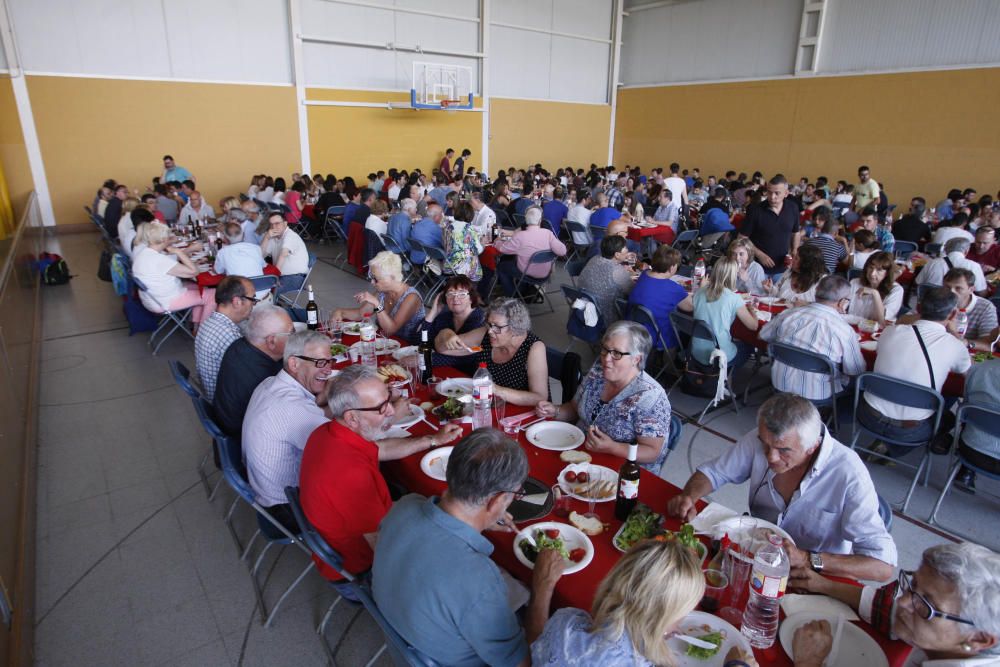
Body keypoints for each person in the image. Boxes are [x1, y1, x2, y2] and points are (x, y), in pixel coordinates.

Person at [372, 429, 564, 667]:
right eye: (514, 494)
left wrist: (483, 519)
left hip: (405, 632)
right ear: (495, 501)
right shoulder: (479, 580)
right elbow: (526, 663)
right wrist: (543, 587)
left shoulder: (407, 504)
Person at [668, 394, 896, 582]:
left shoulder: (849, 474)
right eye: (765, 445)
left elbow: (883, 566)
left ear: (813, 445)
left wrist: (808, 559)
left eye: (783, 450)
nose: (771, 457)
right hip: (752, 559)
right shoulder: (764, 438)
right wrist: (690, 495)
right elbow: (714, 472)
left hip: (810, 577)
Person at [300, 364, 462, 589]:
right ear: (352, 418)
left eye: (388, 400)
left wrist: (432, 440)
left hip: (355, 533)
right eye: (381, 407)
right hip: (359, 567)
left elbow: (380, 449)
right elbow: (385, 548)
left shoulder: (328, 432)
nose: (391, 412)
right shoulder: (350, 476)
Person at [791, 542, 1000, 667]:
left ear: (979, 639)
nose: (903, 602)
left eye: (925, 605)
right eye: (913, 585)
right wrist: (823, 585)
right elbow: (887, 608)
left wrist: (809, 662)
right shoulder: (950, 636)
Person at [531, 540, 705, 667]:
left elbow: (535, 651)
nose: (679, 625)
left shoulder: (565, 623)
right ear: (660, 618)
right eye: (680, 615)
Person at [535, 322, 673, 472]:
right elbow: (574, 409)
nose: (606, 359)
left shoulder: (651, 397)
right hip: (579, 455)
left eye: (617, 354)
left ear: (636, 359)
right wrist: (555, 411)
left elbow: (653, 452)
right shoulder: (599, 371)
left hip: (625, 472)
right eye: (605, 350)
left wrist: (613, 448)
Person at [242, 331, 332, 529]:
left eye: (329, 362)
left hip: (264, 492)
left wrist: (329, 400)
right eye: (319, 363)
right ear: (294, 364)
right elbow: (346, 446)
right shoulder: (293, 408)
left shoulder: (270, 383)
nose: (328, 371)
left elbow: (314, 414)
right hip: (287, 507)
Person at [861, 288, 971, 444]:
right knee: (948, 417)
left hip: (867, 416)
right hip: (910, 431)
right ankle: (894, 448)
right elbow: (969, 374)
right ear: (953, 315)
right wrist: (955, 334)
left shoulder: (890, 331)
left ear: (918, 308)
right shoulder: (955, 345)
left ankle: (887, 445)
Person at [760, 275, 866, 400]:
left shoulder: (789, 314)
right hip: (817, 393)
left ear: (815, 292)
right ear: (843, 302)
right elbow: (856, 370)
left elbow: (763, 335)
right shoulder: (844, 331)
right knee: (857, 382)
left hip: (780, 383)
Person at [439, 297, 548, 405]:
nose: (490, 331)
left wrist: (496, 390)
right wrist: (447, 334)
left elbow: (540, 397)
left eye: (497, 327)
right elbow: (442, 349)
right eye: (489, 324)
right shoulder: (485, 334)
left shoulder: (534, 347)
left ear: (515, 327)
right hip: (488, 406)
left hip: (523, 415)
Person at [213, 304, 293, 439]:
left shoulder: (239, 345)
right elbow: (289, 417)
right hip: (244, 440)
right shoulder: (266, 381)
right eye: (292, 332)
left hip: (229, 424)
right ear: (271, 341)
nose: (295, 336)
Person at [677, 258, 759, 370]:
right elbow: (753, 326)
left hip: (695, 351)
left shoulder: (700, 292)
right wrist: (753, 311)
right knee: (749, 345)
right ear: (733, 276)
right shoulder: (734, 298)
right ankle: (723, 377)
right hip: (719, 355)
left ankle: (717, 377)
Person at [131, 221, 216, 325]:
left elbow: (168, 264)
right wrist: (178, 251)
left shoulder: (144, 253)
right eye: (168, 236)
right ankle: (204, 332)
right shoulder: (158, 259)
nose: (170, 238)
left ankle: (196, 326)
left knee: (201, 288)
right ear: (163, 240)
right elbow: (194, 272)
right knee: (212, 295)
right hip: (165, 301)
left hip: (152, 298)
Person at [333, 251, 425, 340]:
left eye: (376, 279)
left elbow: (390, 330)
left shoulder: (411, 297)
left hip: (408, 348)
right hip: (385, 343)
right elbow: (360, 314)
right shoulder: (382, 292)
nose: (372, 282)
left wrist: (377, 305)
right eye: (371, 277)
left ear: (392, 277)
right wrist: (340, 312)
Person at [194, 276, 255, 402]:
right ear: (237, 302)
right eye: (253, 299)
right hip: (225, 402)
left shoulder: (209, 322)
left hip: (211, 392)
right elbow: (249, 377)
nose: (254, 304)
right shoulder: (231, 337)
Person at [494, 206, 567, 298]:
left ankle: (511, 295)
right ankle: (520, 290)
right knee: (516, 261)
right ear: (540, 220)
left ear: (526, 220)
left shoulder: (520, 235)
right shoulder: (548, 233)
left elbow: (503, 249)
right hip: (545, 274)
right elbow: (563, 251)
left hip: (526, 273)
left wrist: (497, 241)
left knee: (502, 266)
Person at [416, 276, 486, 368]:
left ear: (471, 298)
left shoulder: (480, 320)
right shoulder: (446, 315)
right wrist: (433, 313)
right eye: (450, 294)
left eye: (462, 294)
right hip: (440, 369)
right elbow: (420, 340)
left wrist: (424, 359)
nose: (455, 298)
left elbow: (467, 357)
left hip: (465, 375)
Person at [628, 246, 689, 350]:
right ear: (671, 268)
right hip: (658, 336)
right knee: (687, 329)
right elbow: (690, 307)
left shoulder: (644, 275)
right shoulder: (674, 288)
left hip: (633, 328)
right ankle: (677, 360)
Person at [741, 174, 801, 276]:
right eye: (769, 192)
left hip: (783, 268)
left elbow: (796, 232)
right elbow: (742, 238)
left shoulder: (793, 208)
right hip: (758, 268)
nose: (772, 197)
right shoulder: (755, 210)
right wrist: (759, 254)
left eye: (777, 193)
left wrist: (795, 250)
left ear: (786, 193)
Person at [578, 235, 635, 325]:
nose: (627, 249)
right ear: (617, 254)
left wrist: (622, 260)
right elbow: (633, 291)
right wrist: (627, 274)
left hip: (583, 309)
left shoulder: (594, 258)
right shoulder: (618, 272)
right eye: (625, 248)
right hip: (606, 316)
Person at [939, 268, 998, 349]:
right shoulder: (937, 302)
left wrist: (966, 343)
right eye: (947, 287)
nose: (952, 292)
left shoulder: (985, 307)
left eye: (958, 288)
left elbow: (988, 345)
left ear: (971, 290)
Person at [847, 251, 905, 325]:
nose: (872, 273)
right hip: (854, 327)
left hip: (877, 333)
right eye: (870, 268)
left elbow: (882, 322)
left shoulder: (896, 290)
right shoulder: (855, 282)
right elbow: (843, 306)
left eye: (879, 270)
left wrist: (875, 293)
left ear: (887, 273)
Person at [261, 212, 310, 297]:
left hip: (295, 278)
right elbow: (261, 256)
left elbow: (283, 255)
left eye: (277, 223)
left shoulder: (290, 236)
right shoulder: (273, 237)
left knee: (266, 292)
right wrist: (266, 238)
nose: (273, 227)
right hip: (281, 275)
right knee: (259, 288)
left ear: (285, 223)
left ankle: (274, 307)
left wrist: (274, 278)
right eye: (271, 224)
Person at [916, 237, 988, 293]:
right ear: (966, 251)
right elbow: (981, 291)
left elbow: (918, 283)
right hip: (959, 305)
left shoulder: (932, 262)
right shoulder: (974, 266)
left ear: (946, 250)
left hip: (932, 302)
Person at [214, 222, 266, 287]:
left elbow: (218, 271)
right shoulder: (256, 248)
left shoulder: (222, 252)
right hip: (264, 293)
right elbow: (263, 266)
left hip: (240, 295)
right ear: (244, 235)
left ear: (225, 238)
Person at [443, 200, 484, 282]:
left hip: (449, 265)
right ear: (470, 214)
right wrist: (482, 243)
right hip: (465, 270)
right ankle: (472, 291)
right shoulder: (469, 228)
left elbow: (445, 245)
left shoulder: (448, 227)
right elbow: (478, 250)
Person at [805, 208, 848, 273]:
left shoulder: (809, 242)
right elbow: (847, 263)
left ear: (821, 230)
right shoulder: (838, 247)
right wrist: (845, 242)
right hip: (826, 280)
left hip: (808, 276)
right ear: (836, 233)